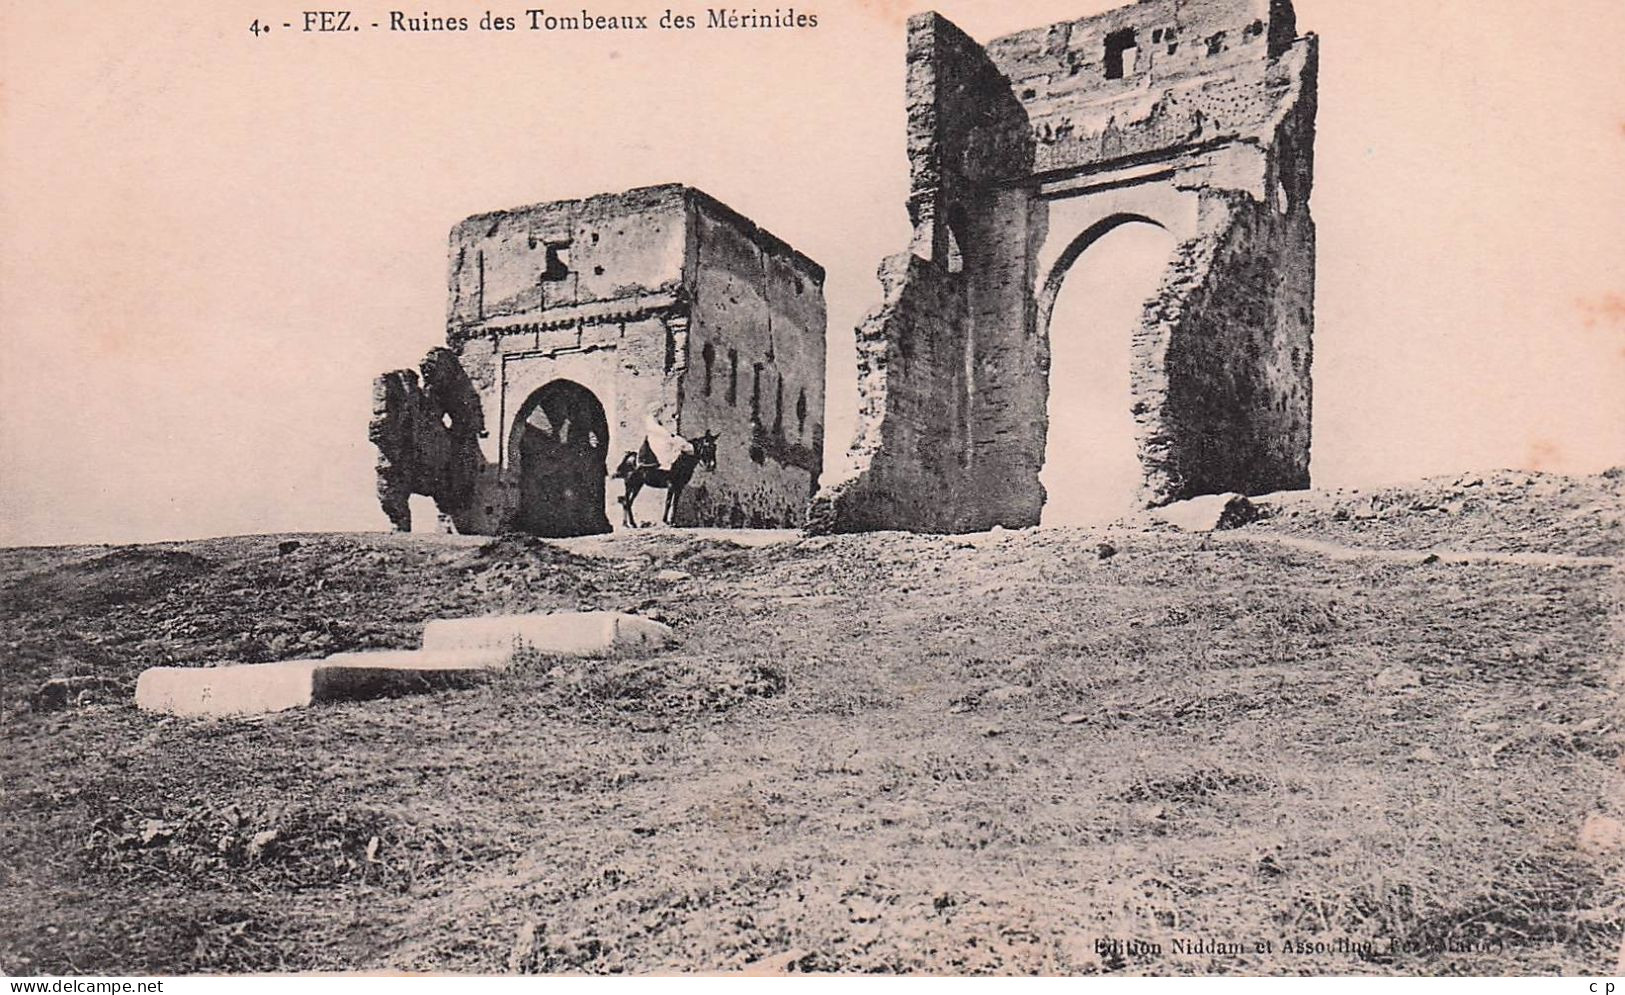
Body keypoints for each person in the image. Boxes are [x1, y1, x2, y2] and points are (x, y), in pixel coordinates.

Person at [638, 405, 693, 471]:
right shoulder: (654, 425)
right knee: (671, 452)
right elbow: (666, 435)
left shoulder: (654, 422)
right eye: (660, 411)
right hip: (657, 441)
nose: (661, 413)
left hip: (656, 439)